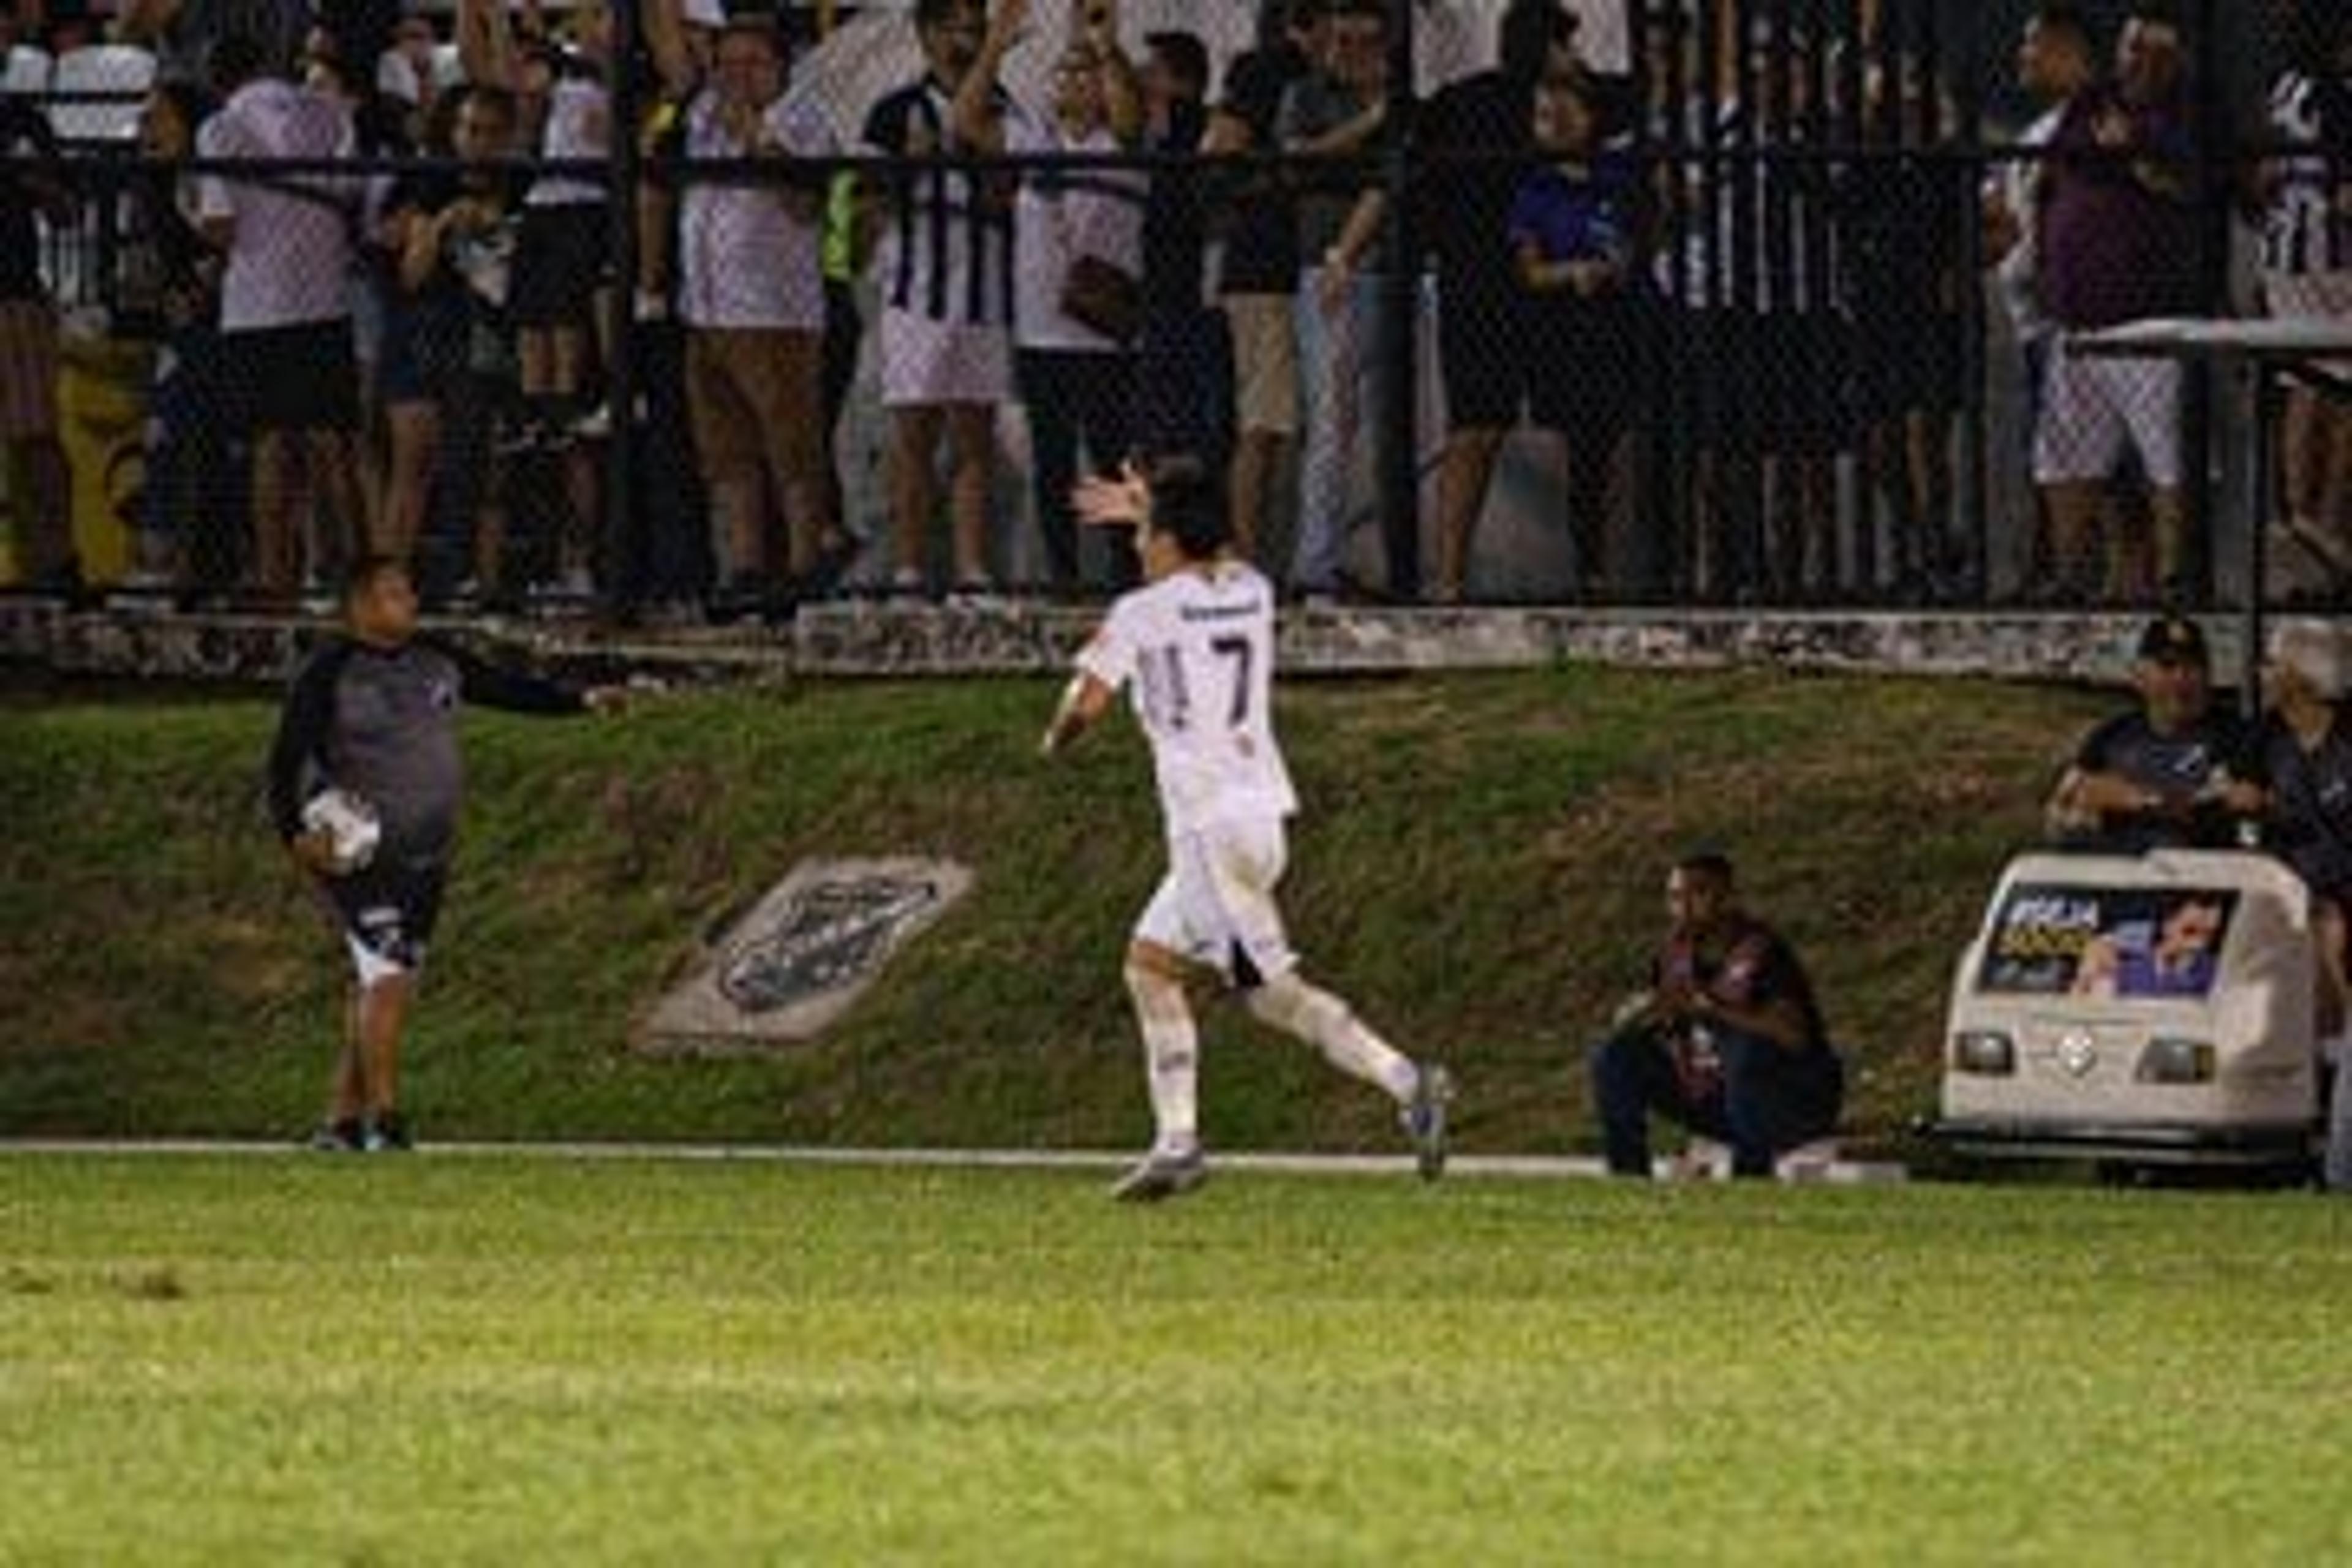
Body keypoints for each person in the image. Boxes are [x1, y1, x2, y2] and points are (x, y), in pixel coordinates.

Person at [1038, 456, 1454, 1200]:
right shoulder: (1252, 591)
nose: (1137, 545)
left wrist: (1055, 734)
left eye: (1145, 533)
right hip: (1260, 819)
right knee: (1148, 964)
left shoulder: (1143, 613)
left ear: (1167, 538)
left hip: (1207, 830)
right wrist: (1157, 508)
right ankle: (1175, 1140)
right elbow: (1215, 557)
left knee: (1271, 996)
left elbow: (1087, 701)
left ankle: (1406, 1080)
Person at [266, 554, 622, 1152]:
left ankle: (341, 1120)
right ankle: (386, 1117)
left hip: (426, 850)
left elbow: (508, 689)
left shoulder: (437, 660)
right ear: (358, 606)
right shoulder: (329, 672)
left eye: (408, 591)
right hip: (359, 848)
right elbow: (285, 759)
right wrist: (294, 834)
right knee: (389, 978)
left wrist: (581, 701)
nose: (407, 602)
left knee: (384, 977)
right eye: (391, 594)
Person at [676, 13, 853, 618]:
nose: (736, 77)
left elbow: (805, 202)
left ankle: (805, 563)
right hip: (706, 305)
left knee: (790, 442)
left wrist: (751, 127)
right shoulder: (703, 114)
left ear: (780, 67)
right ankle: (745, 566)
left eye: (751, 64)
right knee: (727, 449)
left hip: (774, 311)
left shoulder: (804, 119)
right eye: (727, 65)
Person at [2031, 2, 2206, 603]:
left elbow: (2186, 180)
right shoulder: (2094, 101)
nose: (2140, 63)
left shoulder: (2185, 111)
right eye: (2133, 49)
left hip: (2150, 313)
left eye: (2155, 53)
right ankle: (2067, 573)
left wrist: (2137, 151)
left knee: (2166, 454)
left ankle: (2174, 576)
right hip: (2077, 311)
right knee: (2065, 452)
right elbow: (2058, 164)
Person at [197, 31, 368, 605]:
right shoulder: (325, 111)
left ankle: (278, 580)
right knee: (332, 442)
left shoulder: (222, 127)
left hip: (257, 304)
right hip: (325, 296)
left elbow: (220, 224)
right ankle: (359, 576)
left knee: (271, 444)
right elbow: (350, 192)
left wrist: (189, 215)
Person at [861, 0, 1020, 600]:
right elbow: (870, 199)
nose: (964, 40)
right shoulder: (895, 111)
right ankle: (907, 567)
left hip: (983, 294)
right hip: (914, 293)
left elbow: (1016, 194)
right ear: (926, 35)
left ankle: (972, 568)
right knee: (914, 435)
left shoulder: (1003, 107)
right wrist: (912, 164)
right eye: (953, 29)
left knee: (975, 435)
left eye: (973, 30)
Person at [1588, 850, 1844, 1180]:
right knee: (1614, 1055)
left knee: (1747, 1050)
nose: (1684, 907)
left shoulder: (1762, 952)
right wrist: (1641, 1013)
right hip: (1714, 1097)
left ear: (1728, 899)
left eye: (1699, 894)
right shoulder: (1672, 954)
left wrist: (1713, 1009)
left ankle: (1751, 1174)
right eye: (1675, 897)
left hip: (1788, 1103)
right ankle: (1628, 1174)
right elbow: (1656, 1018)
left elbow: (1792, 1035)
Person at [1010, 10, 1147, 594]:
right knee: (1053, 460)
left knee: (1112, 454)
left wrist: (1107, 49)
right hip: (1041, 327)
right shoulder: (1035, 139)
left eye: (1086, 75)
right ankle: (1064, 572)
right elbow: (971, 122)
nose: (1074, 84)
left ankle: (1124, 566)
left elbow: (1130, 116)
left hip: (1101, 326)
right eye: (1065, 75)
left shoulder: (1120, 144)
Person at [2045, 614, 2263, 853]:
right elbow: (2057, 818)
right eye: (2167, 666)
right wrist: (2079, 811)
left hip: (2202, 874)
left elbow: (2243, 817)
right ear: (2140, 676)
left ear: (2209, 676)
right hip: (2117, 873)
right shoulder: (2111, 735)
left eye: (2192, 667)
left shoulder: (2238, 737)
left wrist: (2139, 801)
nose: (2181, 679)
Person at [0, 80, 77, 596]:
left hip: (13, 293)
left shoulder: (21, 119)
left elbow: (65, 210)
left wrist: (37, 182)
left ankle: (55, 566)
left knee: (34, 436)